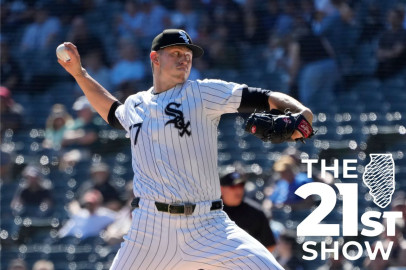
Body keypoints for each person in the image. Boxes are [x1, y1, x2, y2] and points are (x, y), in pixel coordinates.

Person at [57, 28, 313, 269]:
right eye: (176, 53)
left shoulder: (202, 93)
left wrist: (302, 113)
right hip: (150, 230)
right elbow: (112, 113)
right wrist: (80, 74)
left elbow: (263, 96)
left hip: (208, 225)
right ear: (155, 58)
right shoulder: (136, 104)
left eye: (188, 55)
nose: (184, 59)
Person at [220, 171, 277, 252]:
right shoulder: (212, 211)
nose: (238, 190)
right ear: (221, 188)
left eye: (240, 186)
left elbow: (270, 245)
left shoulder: (256, 213)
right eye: (233, 187)